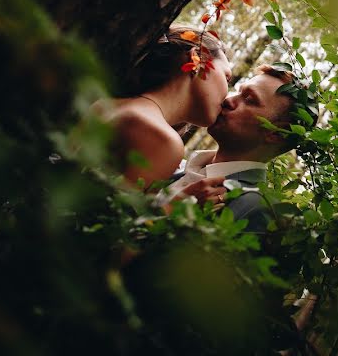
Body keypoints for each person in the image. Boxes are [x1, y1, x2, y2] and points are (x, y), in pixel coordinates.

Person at [168, 64, 313, 233]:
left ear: (276, 134)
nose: (229, 100)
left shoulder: (257, 211)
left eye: (249, 99)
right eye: (238, 91)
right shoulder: (175, 165)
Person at [100, 25, 233, 187]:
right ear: (198, 58)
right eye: (227, 78)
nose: (227, 94)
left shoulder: (110, 104)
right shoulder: (162, 139)